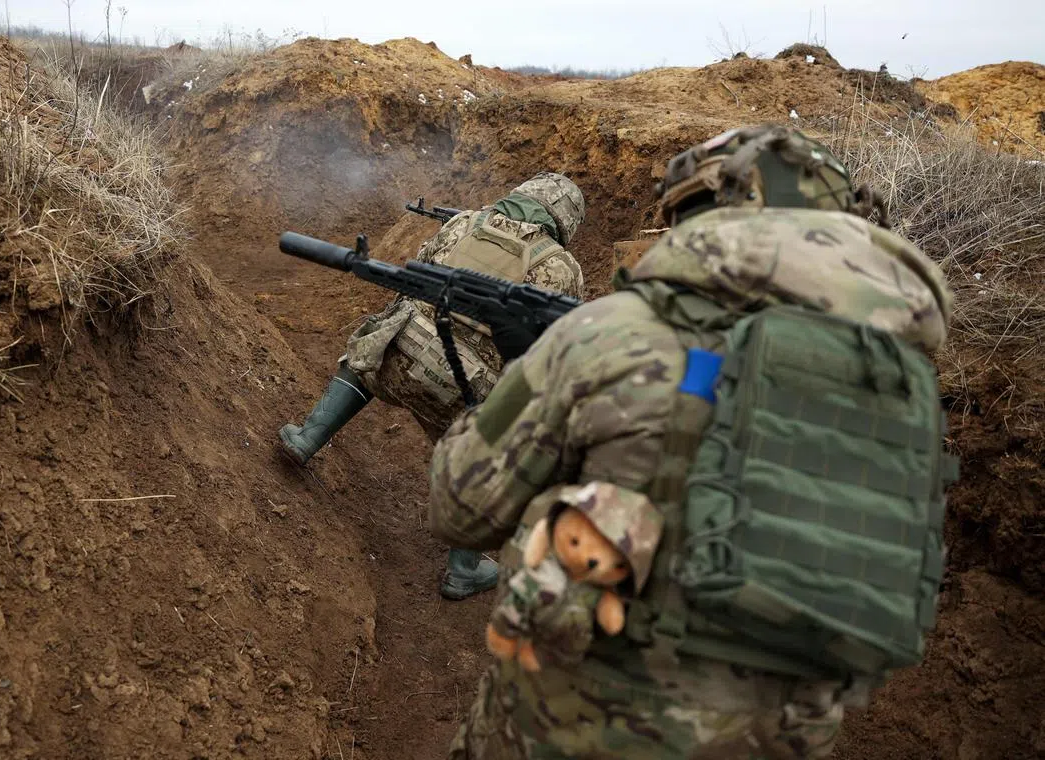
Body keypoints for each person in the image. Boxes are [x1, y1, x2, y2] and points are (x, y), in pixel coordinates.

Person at [429, 125, 956, 759]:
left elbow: (459, 505)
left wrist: (525, 371)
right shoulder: (896, 383)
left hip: (570, 729)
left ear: (698, 212)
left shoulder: (607, 334)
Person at [280, 171, 586, 601]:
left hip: (397, 356)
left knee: (376, 339)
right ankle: (462, 569)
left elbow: (415, 275)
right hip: (464, 396)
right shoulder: (562, 269)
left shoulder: (465, 223)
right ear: (565, 220)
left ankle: (308, 437)